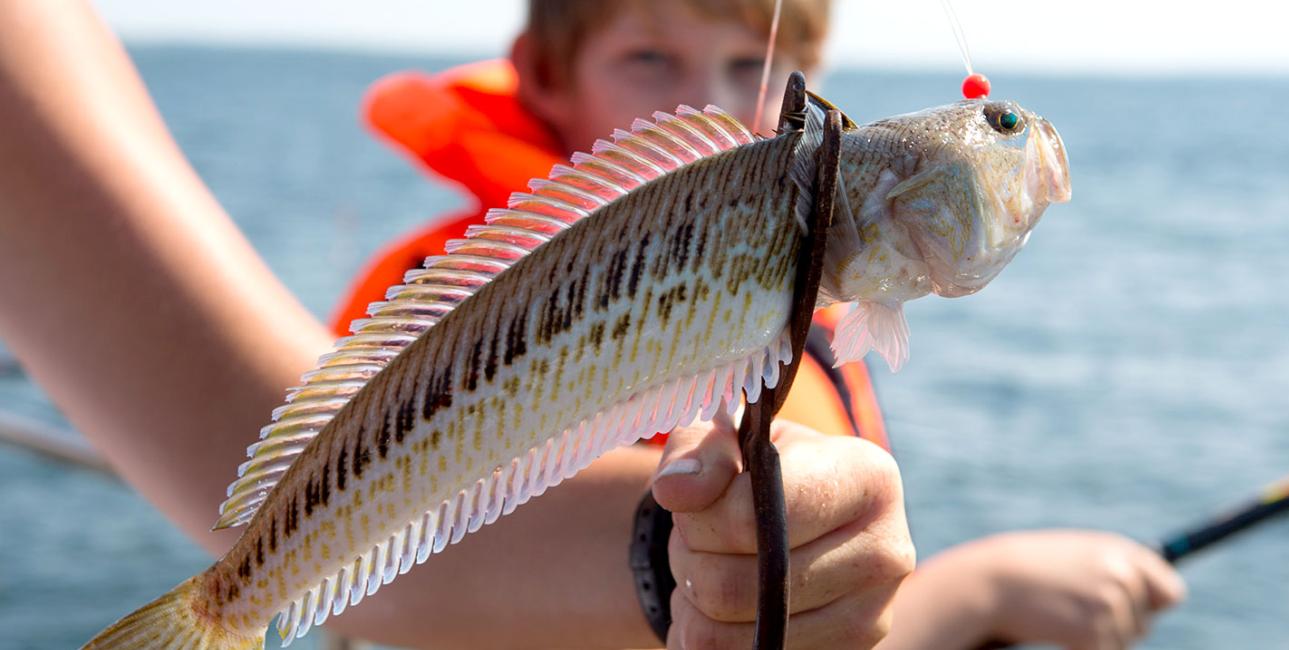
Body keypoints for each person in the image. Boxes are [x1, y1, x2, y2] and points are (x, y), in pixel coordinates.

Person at [341, 1, 1186, 648]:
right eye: (648, 56)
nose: (708, 98)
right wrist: (982, 591)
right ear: (545, 76)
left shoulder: (814, 288)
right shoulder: (449, 304)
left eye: (751, 58)